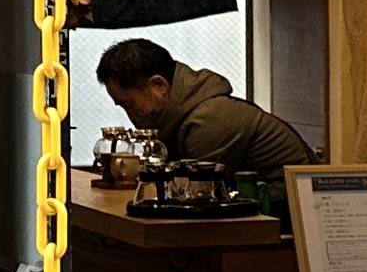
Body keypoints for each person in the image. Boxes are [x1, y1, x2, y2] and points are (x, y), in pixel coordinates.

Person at [97, 37, 315, 175]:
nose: (130, 114)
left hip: (285, 214)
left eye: (129, 104)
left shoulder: (209, 120)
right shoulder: (187, 114)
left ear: (159, 85)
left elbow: (195, 192)